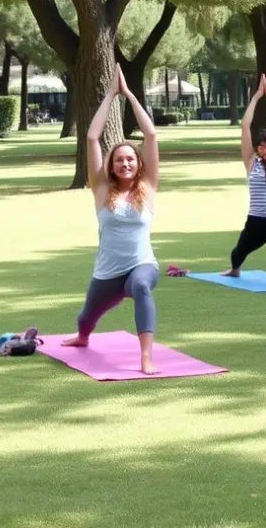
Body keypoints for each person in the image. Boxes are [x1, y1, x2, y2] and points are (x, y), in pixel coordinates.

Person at [62, 67, 161, 374]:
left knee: (142, 286)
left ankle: (146, 356)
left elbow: (151, 134)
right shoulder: (101, 189)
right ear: (113, 166)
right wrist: (109, 96)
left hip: (141, 265)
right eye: (120, 159)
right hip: (108, 272)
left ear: (138, 163)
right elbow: (92, 136)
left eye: (130, 158)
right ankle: (82, 337)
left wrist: (130, 95)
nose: (126, 162)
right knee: (86, 318)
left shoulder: (149, 186)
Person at [222, 75, 266, 291]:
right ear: (257, 148)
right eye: (261, 146)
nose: (265, 150)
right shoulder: (252, 162)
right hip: (255, 221)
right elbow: (245, 127)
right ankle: (235, 269)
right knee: (238, 252)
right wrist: (254, 98)